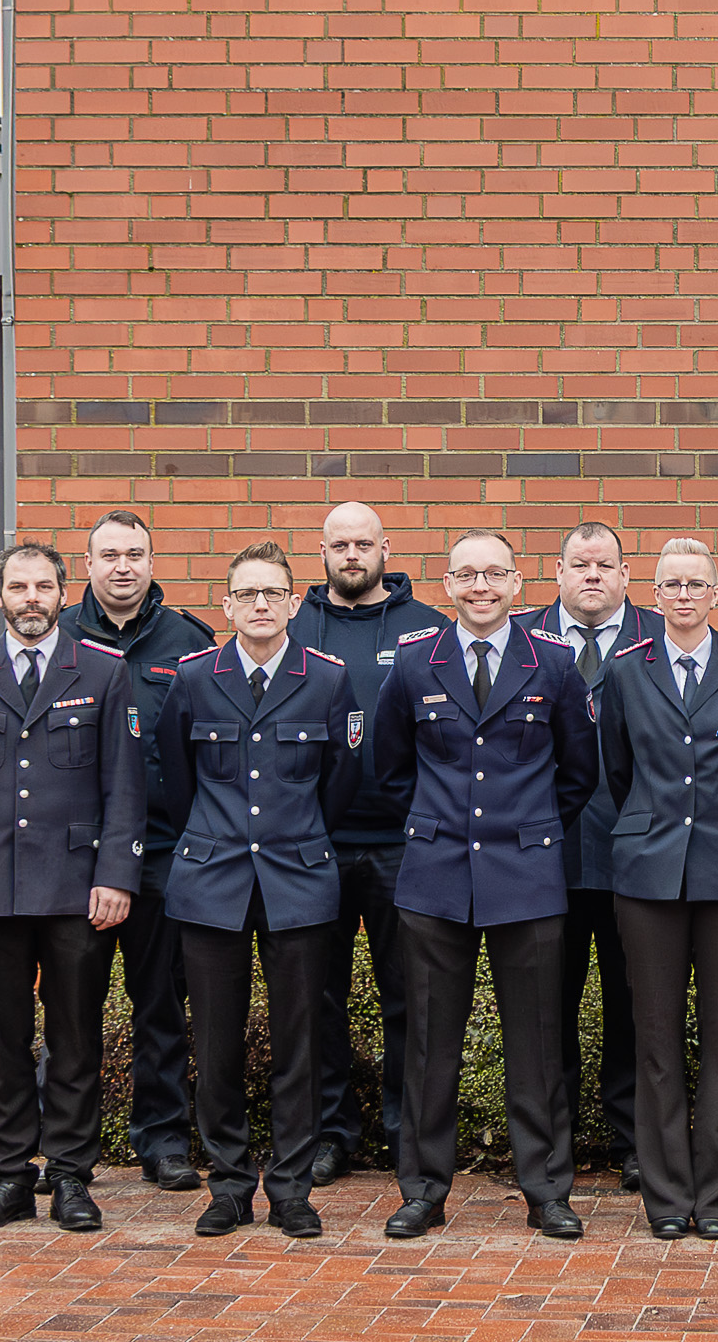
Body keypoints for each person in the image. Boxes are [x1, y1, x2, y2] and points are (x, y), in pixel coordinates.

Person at [372, 530, 598, 1241]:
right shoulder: (414, 662)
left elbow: (580, 772)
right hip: (436, 876)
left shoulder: (554, 663)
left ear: (516, 581)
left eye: (493, 574)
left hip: (526, 877)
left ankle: (546, 1191)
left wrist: (526, 830)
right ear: (447, 584)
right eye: (466, 575)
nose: (480, 587)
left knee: (535, 1043)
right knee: (429, 1043)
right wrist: (438, 824)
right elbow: (387, 766)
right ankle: (423, 1192)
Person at [0, 541, 142, 1233]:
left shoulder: (103, 672)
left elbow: (124, 786)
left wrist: (117, 877)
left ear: (63, 594)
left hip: (78, 890)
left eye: (44, 586)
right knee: (3, 1040)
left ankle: (71, 1177)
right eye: (20, 586)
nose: (32, 598)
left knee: (75, 1039)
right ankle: (8, 1176)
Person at [151, 542, 361, 1238]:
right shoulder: (193, 678)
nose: (261, 605)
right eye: (247, 594)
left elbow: (340, 782)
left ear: (295, 603)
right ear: (227, 604)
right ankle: (231, 1183)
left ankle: (293, 1188)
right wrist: (213, 838)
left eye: (273, 593)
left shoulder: (329, 680)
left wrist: (299, 839)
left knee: (300, 1043)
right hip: (212, 881)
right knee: (215, 1044)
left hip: (298, 879)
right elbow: (179, 780)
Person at [596, 539, 718, 1240]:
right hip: (648, 872)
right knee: (655, 1037)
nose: (683, 595)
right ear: (654, 594)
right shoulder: (625, 672)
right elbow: (617, 769)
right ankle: (667, 1196)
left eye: (696, 584)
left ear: (716, 594)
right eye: (671, 585)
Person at [286, 501, 449, 1185]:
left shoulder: (428, 630)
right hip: (315, 844)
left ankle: (406, 1132)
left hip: (401, 845)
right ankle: (331, 1134)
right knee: (317, 999)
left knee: (408, 998)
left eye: (363, 544)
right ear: (321, 553)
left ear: (386, 548)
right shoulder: (294, 627)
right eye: (338, 545)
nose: (351, 556)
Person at [60, 511, 214, 1193]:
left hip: (161, 856)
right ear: (87, 565)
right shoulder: (57, 638)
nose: (123, 567)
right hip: (75, 861)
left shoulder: (189, 641)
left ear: (153, 562)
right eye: (109, 555)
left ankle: (163, 1141)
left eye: (136, 554)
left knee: (160, 1008)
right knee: (71, 1011)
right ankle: (65, 1148)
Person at [532, 521, 653, 1190]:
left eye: (605, 564)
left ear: (626, 574)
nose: (592, 576)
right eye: (580, 564)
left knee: (634, 1007)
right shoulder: (523, 638)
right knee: (547, 1010)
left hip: (635, 854)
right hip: (541, 859)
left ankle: (634, 1139)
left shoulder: (660, 636)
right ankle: (552, 1145)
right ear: (558, 572)